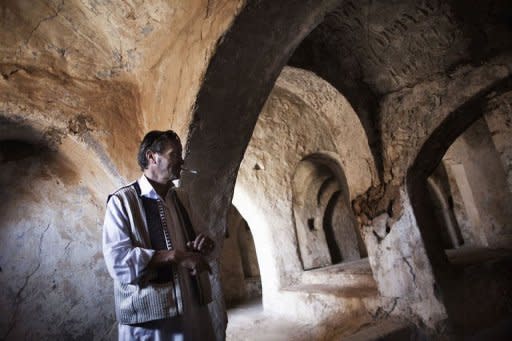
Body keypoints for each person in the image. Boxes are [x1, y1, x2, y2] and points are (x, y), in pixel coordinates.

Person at [102, 130, 216, 341]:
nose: (182, 160)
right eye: (175, 154)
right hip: (152, 325)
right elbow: (117, 262)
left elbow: (203, 237)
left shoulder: (182, 198)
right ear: (152, 157)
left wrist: (205, 245)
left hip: (192, 312)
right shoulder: (122, 202)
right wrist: (176, 256)